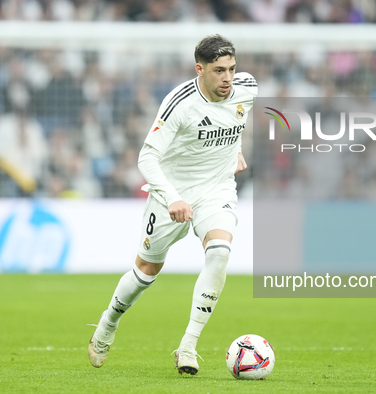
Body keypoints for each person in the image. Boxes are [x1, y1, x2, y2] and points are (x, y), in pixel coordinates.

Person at [87, 34, 257, 375]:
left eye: (232, 69)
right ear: (200, 69)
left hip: (217, 190)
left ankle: (188, 346)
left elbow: (233, 120)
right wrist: (173, 197)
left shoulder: (247, 89)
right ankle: (107, 324)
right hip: (172, 192)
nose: (228, 78)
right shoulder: (179, 103)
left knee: (220, 252)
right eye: (219, 70)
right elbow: (147, 157)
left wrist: (234, 148)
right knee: (145, 272)